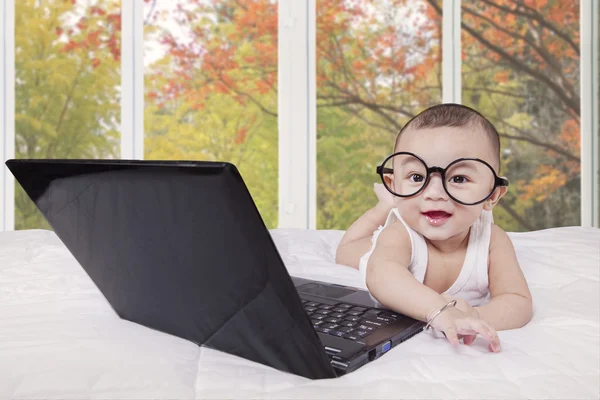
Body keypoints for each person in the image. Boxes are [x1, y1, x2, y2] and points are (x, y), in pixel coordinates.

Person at [335, 103, 532, 353]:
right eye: (417, 178)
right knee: (346, 251)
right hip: (376, 252)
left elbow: (518, 301)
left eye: (458, 179)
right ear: (394, 182)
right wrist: (438, 310)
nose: (435, 193)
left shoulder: (493, 240)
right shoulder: (400, 234)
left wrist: (475, 316)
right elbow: (380, 275)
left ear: (492, 195)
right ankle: (384, 206)